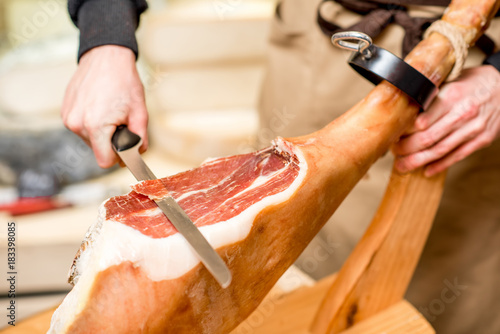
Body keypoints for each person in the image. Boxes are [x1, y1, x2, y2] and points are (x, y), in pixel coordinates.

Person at [64, 0, 500, 333]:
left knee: (441, 306)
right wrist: (105, 38)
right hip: (323, 43)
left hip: (473, 84)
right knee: (274, 287)